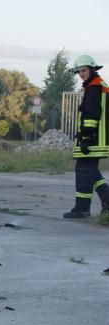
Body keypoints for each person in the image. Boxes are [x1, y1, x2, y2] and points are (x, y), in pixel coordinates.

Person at [63, 55, 109, 219]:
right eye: (79, 71)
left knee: (83, 171)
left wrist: (86, 138)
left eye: (84, 70)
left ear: (92, 69)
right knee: (91, 172)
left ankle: (82, 209)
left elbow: (91, 114)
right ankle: (107, 203)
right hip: (98, 140)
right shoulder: (100, 85)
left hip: (92, 141)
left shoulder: (94, 87)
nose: (81, 74)